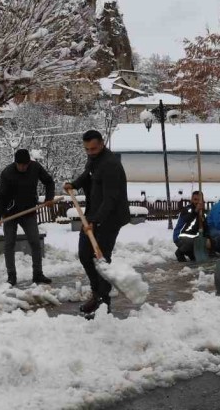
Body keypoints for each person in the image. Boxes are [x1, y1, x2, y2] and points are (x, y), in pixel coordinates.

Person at [63, 130, 130, 317]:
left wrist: (95, 221)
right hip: (94, 214)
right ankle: (96, 294)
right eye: (87, 149)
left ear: (102, 144)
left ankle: (103, 302)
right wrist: (74, 184)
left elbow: (111, 199)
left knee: (101, 260)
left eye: (93, 149)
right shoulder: (94, 159)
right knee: (85, 254)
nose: (90, 152)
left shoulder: (111, 165)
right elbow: (88, 174)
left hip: (110, 217)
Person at [0, 149, 56, 286]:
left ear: (29, 163)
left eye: (25, 165)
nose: (23, 167)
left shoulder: (35, 168)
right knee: (9, 243)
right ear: (15, 163)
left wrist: (49, 198)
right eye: (20, 165)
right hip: (10, 213)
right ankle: (11, 276)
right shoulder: (7, 173)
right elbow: (1, 196)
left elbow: (49, 182)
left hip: (28, 211)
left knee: (35, 242)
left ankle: (38, 274)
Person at [173, 190, 209, 261]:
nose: (197, 202)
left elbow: (206, 227)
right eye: (195, 199)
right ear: (191, 200)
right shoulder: (187, 210)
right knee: (193, 243)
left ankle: (191, 254)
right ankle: (180, 252)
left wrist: (208, 238)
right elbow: (188, 219)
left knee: (208, 242)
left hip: (193, 238)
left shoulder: (204, 213)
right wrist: (196, 211)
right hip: (180, 236)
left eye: (199, 200)